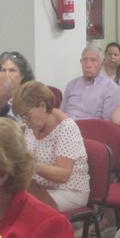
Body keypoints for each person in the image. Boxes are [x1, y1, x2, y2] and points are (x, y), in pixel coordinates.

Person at [13, 81, 90, 213]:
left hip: (69, 192)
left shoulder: (66, 128)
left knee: (25, 208)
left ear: (43, 106)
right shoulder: (31, 127)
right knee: (7, 199)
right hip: (39, 187)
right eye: (21, 117)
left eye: (27, 115)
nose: (25, 121)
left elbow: (63, 176)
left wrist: (31, 165)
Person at [63, 45, 120, 121]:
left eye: (93, 60)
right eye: (84, 60)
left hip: (90, 129)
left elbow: (108, 124)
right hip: (66, 128)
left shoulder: (111, 88)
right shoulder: (71, 84)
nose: (87, 65)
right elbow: (62, 112)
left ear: (102, 63)